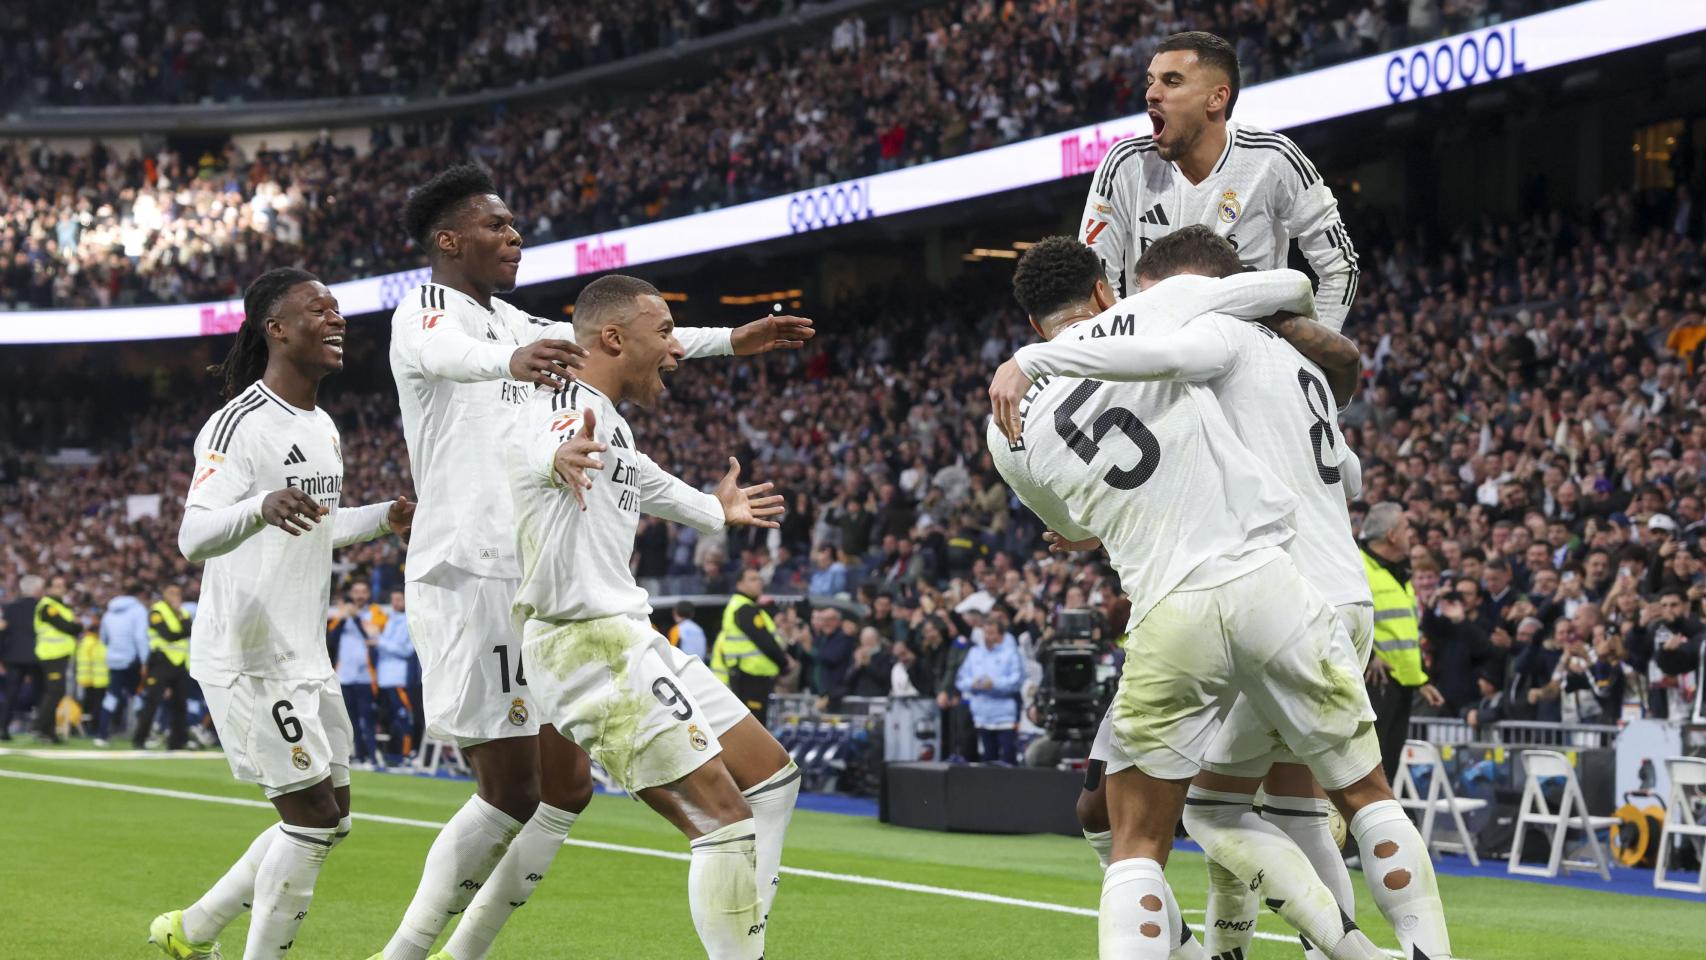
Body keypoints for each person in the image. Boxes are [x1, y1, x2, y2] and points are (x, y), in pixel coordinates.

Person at [375, 165, 812, 960]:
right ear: (448, 240)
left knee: (566, 789)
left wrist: (729, 341)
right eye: (497, 225)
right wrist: (512, 368)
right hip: (472, 571)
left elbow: (618, 336)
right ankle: (407, 955)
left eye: (514, 225)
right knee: (513, 792)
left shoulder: (515, 323)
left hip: (547, 572)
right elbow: (450, 356)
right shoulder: (429, 314)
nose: (515, 236)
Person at [988, 238, 1450, 959]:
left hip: (1171, 604)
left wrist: (1034, 364)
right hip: (1279, 584)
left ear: (1028, 323)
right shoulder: (1164, 317)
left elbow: (1074, 522)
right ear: (1108, 292)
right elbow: (1296, 290)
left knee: (1136, 836)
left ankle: (1244, 948)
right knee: (1357, 797)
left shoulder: (1002, 422)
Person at [504, 274, 799, 958]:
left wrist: (711, 508)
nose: (673, 351)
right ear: (613, 338)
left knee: (774, 780)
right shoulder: (564, 405)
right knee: (723, 824)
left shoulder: (610, 424)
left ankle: (745, 939)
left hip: (627, 637)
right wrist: (553, 456)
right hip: (585, 646)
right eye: (664, 334)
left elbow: (642, 476)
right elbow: (523, 447)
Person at [148, 267, 411, 960]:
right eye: (317, 309)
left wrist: (385, 516)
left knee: (335, 821)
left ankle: (193, 928)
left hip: (303, 655)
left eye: (337, 309)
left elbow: (316, 523)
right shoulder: (238, 423)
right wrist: (257, 505)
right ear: (277, 329)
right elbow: (193, 535)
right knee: (312, 819)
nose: (336, 319)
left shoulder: (321, 425)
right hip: (248, 655)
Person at [1079, 31, 1359, 331]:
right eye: (1151, 81)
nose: (1152, 93)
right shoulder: (1125, 164)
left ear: (1216, 98)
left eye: (1172, 81)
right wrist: (1127, 352)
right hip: (1157, 360)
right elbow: (1093, 277)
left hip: (1249, 360)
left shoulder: (1273, 159)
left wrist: (1314, 351)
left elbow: (1340, 266)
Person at [1361, 502, 1445, 780]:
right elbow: (1342, 618)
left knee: (1388, 766)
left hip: (1400, 684)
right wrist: (1371, 655)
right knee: (1370, 766)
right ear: (1391, 535)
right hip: (1374, 681)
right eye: (1406, 528)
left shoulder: (1398, 572)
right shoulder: (1358, 566)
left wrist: (1420, 680)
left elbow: (1402, 636)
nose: (1411, 535)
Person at [713, 569, 790, 725]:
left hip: (750, 676)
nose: (759, 582)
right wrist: (784, 664)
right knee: (755, 726)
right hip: (750, 676)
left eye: (759, 579)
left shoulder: (744, 606)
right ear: (739, 584)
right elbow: (765, 642)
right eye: (753, 579)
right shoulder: (744, 608)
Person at [132, 583, 193, 751]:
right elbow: (168, 634)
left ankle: (178, 742)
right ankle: (139, 740)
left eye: (178, 593)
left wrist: (180, 616)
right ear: (164, 593)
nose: (175, 597)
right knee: (152, 702)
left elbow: (191, 630)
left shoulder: (184, 612)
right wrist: (183, 625)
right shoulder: (156, 611)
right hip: (161, 661)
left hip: (180, 663)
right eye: (171, 592)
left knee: (180, 704)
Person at [954, 622, 1023, 764]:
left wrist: (994, 684)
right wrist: (972, 683)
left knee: (1009, 758)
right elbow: (960, 680)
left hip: (1005, 717)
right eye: (985, 633)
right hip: (982, 717)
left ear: (1000, 635)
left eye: (991, 633)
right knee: (988, 761)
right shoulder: (974, 653)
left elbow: (1016, 681)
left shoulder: (1011, 653)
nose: (987, 637)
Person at [330, 582, 381, 766]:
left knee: (367, 718)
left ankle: (373, 757)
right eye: (356, 592)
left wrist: (357, 619)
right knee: (350, 720)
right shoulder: (341, 616)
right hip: (344, 675)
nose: (359, 596)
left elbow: (372, 638)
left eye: (363, 591)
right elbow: (331, 641)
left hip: (366, 676)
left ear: (368, 594)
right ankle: (359, 755)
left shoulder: (374, 613)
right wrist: (345, 619)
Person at [95, 585, 150, 745]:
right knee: (137, 695)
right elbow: (141, 637)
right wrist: (145, 660)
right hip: (132, 660)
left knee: (111, 696)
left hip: (114, 659)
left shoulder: (109, 612)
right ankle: (143, 736)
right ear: (139, 594)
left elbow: (103, 637)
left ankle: (101, 734)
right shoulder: (139, 610)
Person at [33, 574, 79, 743]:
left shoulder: (61, 606)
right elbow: (66, 626)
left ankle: (49, 732)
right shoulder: (48, 606)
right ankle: (38, 726)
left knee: (55, 692)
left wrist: (74, 627)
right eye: (57, 585)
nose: (61, 588)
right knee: (55, 692)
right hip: (51, 655)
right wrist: (77, 626)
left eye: (62, 585)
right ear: (49, 588)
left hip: (60, 654)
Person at [376, 588, 417, 763]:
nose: (395, 603)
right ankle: (392, 756)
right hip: (383, 679)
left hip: (399, 678)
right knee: (389, 719)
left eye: (399, 599)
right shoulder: (390, 620)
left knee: (403, 717)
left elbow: (407, 650)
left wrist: (380, 641)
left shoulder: (412, 621)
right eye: (393, 599)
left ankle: (407, 754)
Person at [0, 576, 44, 740]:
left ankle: (3, 728)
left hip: (14, 657)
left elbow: (3, 634)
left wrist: (1, 658)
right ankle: (41, 730)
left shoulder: (11, 608)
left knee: (11, 694)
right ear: (38, 590)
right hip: (37, 656)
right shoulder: (41, 608)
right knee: (41, 695)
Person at [76, 615, 107, 737]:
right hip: (98, 679)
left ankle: (86, 729)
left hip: (87, 679)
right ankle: (92, 729)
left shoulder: (86, 642)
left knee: (88, 706)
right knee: (96, 706)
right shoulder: (95, 643)